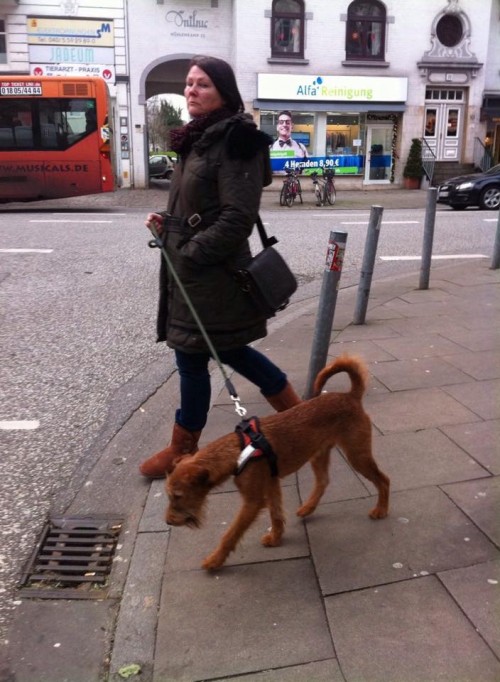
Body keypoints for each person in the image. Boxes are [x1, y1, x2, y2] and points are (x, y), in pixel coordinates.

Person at [139, 55, 301, 478]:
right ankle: (297, 416)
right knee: (218, 351)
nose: (192, 90)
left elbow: (237, 217)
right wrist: (166, 220)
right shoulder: (197, 138)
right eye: (189, 84)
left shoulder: (235, 141)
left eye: (203, 84)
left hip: (213, 273)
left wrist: (190, 252)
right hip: (193, 272)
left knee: (197, 355)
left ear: (224, 93)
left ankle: (183, 449)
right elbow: (200, 203)